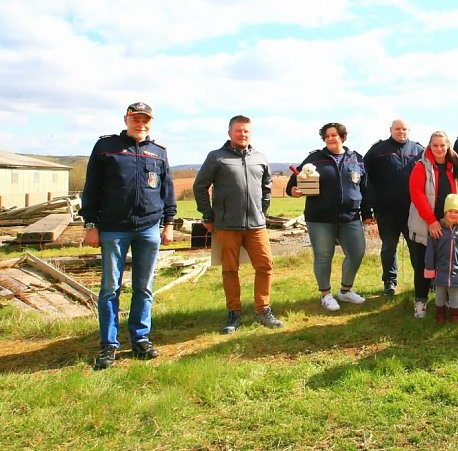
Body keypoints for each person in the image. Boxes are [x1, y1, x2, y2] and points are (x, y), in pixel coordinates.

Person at [81, 102, 176, 370]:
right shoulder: (106, 147)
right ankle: (108, 345)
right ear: (126, 119)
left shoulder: (158, 152)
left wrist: (169, 223)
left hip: (148, 228)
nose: (140, 124)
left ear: (151, 122)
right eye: (135, 119)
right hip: (113, 228)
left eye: (145, 120)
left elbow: (167, 190)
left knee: (144, 287)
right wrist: (90, 224)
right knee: (110, 288)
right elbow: (91, 187)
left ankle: (140, 339)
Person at [194, 115, 283, 333]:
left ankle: (263, 310)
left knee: (265, 265)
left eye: (246, 131)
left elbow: (267, 187)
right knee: (230, 270)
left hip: (256, 225)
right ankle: (234, 313)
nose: (242, 134)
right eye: (238, 130)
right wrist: (208, 216)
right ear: (229, 133)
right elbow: (200, 186)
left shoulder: (260, 157)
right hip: (226, 225)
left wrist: (262, 211)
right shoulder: (216, 157)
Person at [287, 122, 371, 312]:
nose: (331, 138)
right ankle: (325, 295)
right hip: (320, 218)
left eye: (334, 135)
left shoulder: (356, 159)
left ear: (342, 137)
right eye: (327, 136)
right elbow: (293, 183)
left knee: (357, 253)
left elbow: (365, 188)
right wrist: (294, 190)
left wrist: (367, 214)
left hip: (350, 217)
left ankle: (345, 291)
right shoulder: (314, 158)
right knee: (324, 256)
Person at [408, 131, 458, 319]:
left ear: (448, 146)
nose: (439, 149)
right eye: (435, 145)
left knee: (449, 263)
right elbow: (417, 193)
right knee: (423, 264)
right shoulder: (421, 166)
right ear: (429, 146)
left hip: (451, 223)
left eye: (442, 145)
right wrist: (431, 221)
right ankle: (421, 300)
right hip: (425, 222)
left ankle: (448, 301)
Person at [364, 119, 424, 296]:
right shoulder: (377, 151)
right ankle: (389, 282)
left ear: (409, 130)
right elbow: (365, 178)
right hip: (386, 211)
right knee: (389, 248)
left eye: (404, 129)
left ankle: (422, 281)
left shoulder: (419, 150)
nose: (401, 132)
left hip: (412, 210)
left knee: (417, 248)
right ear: (390, 129)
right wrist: (367, 208)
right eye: (397, 129)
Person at [424, 193, 458, 324]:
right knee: (440, 293)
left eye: (456, 212)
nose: (453, 214)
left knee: (454, 294)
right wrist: (430, 269)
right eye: (450, 211)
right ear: (445, 211)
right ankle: (440, 313)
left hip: (456, 271)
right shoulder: (438, 230)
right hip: (440, 270)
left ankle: (454, 314)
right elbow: (430, 251)